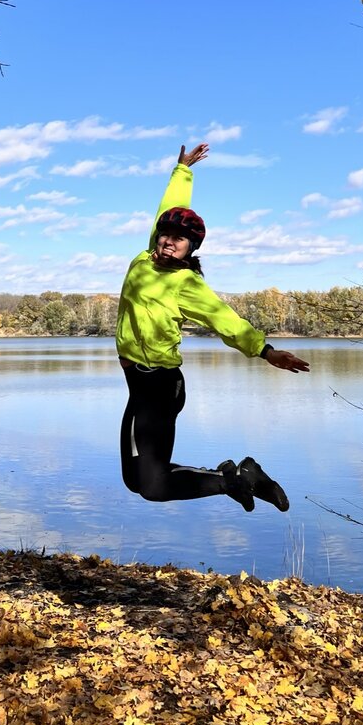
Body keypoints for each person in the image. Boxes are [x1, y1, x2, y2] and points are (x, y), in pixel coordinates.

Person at [116, 141, 309, 512]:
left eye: (180, 238)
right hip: (141, 385)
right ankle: (238, 477)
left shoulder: (187, 284)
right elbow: (166, 209)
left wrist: (266, 351)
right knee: (140, 481)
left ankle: (233, 480)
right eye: (165, 234)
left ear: (191, 247)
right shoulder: (143, 260)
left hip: (158, 386)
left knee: (151, 485)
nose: (170, 240)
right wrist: (182, 170)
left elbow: (226, 320)